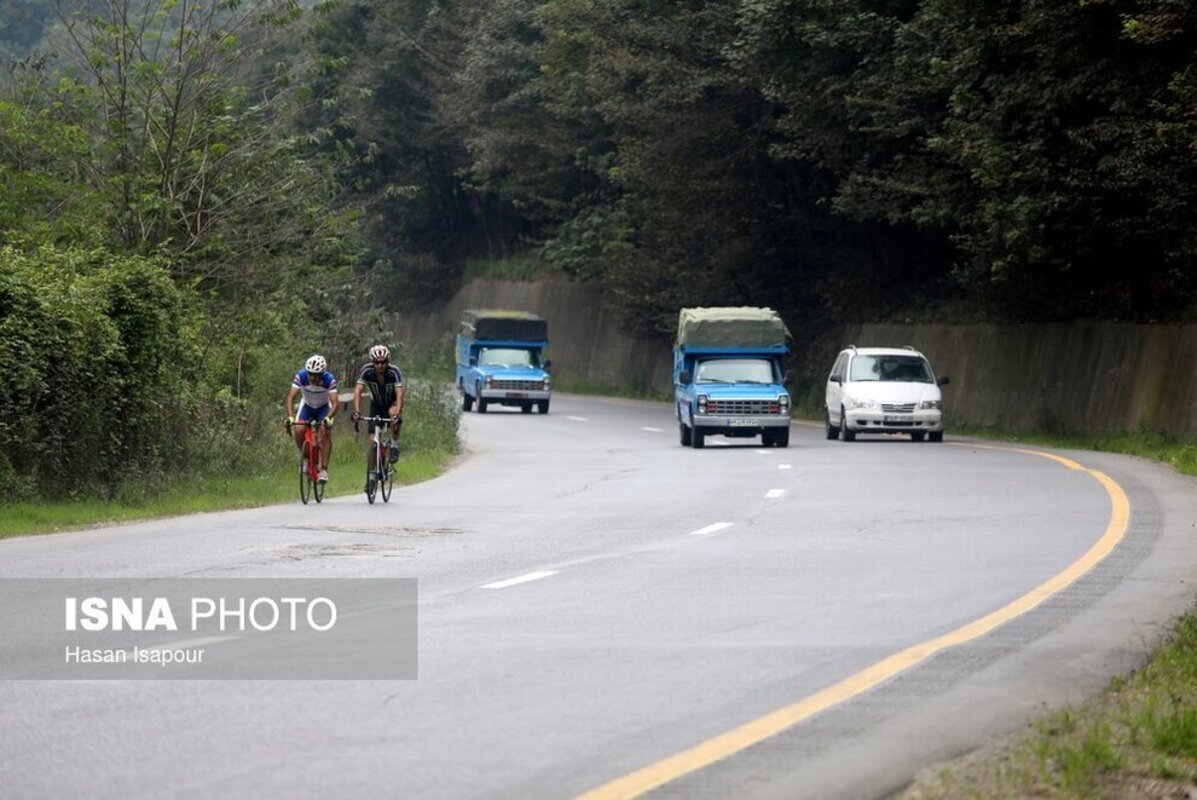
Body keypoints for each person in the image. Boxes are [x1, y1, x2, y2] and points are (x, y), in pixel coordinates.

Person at [285, 354, 339, 483]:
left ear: (322, 373)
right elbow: (291, 398)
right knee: (298, 430)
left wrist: (328, 418)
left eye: (316, 375)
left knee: (325, 432)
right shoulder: (301, 376)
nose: (312, 377)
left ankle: (324, 469)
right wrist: (291, 417)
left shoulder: (329, 379)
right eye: (310, 374)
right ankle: (305, 459)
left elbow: (336, 403)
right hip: (307, 407)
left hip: (324, 408)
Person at [351, 344, 405, 471]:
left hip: (392, 403)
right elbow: (358, 390)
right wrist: (357, 411)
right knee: (372, 441)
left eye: (383, 362)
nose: (380, 365)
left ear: (388, 361)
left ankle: (394, 445)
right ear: (372, 362)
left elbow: (400, 393)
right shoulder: (366, 371)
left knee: (393, 414)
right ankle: (372, 475)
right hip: (376, 404)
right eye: (376, 362)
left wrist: (397, 413)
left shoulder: (394, 372)